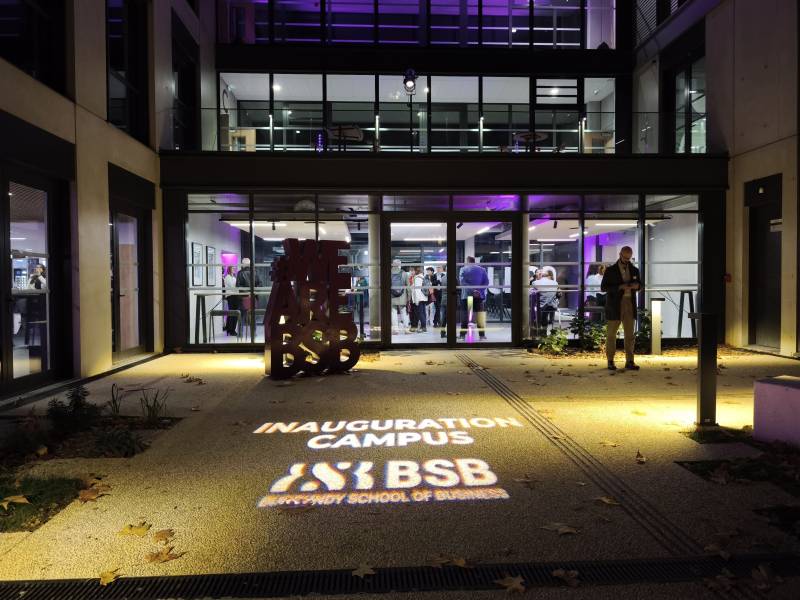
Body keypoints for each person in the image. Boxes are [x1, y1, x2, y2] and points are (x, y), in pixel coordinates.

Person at [601, 246, 642, 371]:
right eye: (625, 257)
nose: (626, 260)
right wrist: (620, 287)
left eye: (629, 258)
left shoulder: (634, 270)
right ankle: (610, 360)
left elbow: (640, 285)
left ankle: (630, 361)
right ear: (620, 254)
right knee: (611, 334)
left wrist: (637, 286)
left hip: (630, 303)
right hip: (615, 305)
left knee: (630, 334)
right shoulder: (610, 270)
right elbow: (604, 288)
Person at [459, 256, 489, 340]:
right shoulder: (482, 270)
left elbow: (462, 282)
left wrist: (472, 290)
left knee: (466, 316)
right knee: (479, 316)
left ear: (467, 261)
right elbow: (486, 282)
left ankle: (462, 335)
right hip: (479, 296)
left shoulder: (463, 269)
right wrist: (478, 291)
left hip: (467, 296)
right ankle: (482, 335)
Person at [390, 259, 411, 334]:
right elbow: (408, 287)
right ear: (400, 265)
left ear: (392, 264)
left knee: (393, 313)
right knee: (404, 312)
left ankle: (395, 330)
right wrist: (409, 297)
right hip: (402, 296)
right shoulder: (404, 273)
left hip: (392, 296)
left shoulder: (388, 273)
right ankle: (406, 329)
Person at [410, 266, 428, 332]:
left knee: (420, 313)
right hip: (423, 298)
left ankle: (423, 327)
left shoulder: (417, 278)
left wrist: (416, 300)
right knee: (423, 313)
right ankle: (423, 327)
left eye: (413, 270)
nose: (412, 272)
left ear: (416, 271)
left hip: (419, 298)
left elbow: (417, 290)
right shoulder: (422, 277)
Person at [223, 265, 239, 336]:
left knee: (233, 313)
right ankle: (231, 330)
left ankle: (230, 329)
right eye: (233, 268)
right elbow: (233, 287)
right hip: (231, 296)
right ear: (229, 269)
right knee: (233, 313)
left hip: (235, 296)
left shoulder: (234, 277)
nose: (234, 269)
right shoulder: (227, 277)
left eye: (234, 268)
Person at [436, 266, 448, 338]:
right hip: (449, 300)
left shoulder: (443, 278)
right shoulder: (453, 278)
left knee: (443, 318)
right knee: (449, 318)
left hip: (443, 299)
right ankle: (450, 333)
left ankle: (442, 333)